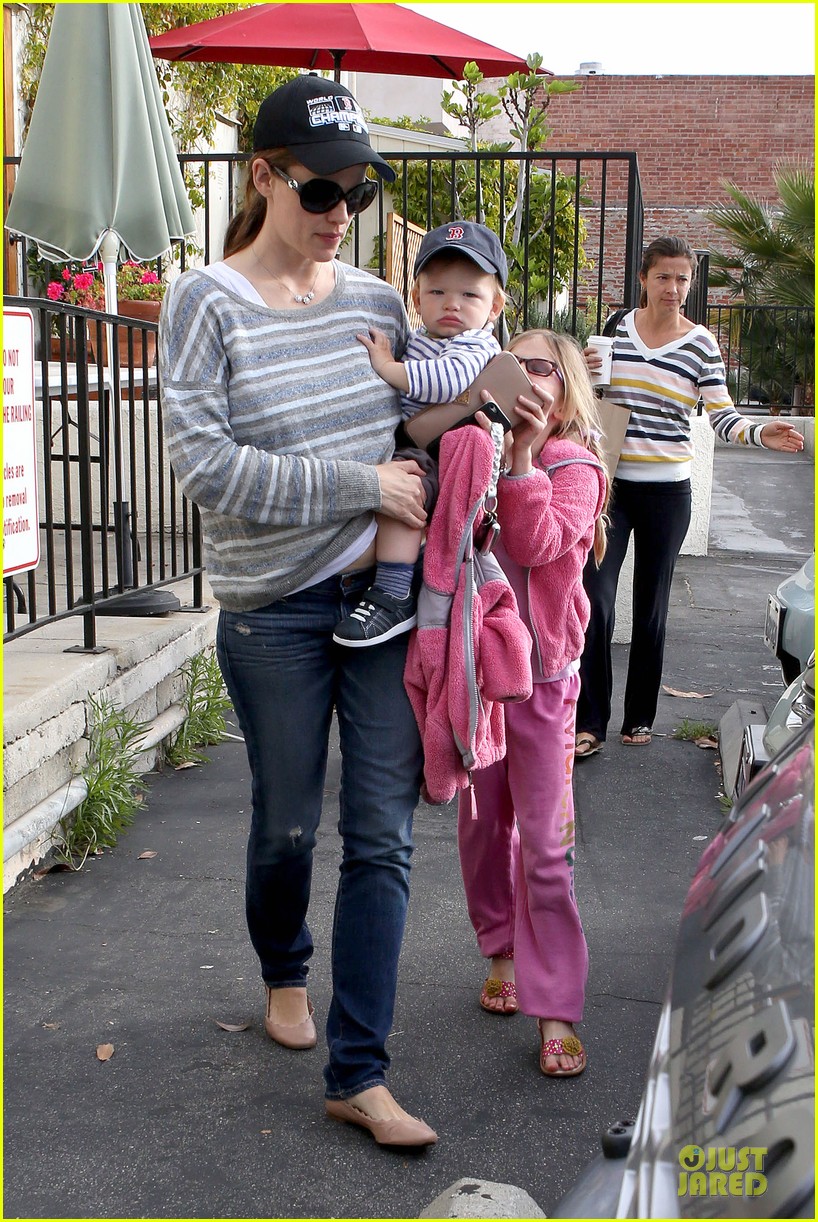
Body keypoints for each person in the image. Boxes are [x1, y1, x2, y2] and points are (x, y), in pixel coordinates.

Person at [158, 75, 438, 1148]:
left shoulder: (377, 303)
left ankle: (359, 1073)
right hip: (270, 607)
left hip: (380, 600)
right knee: (285, 824)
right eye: (320, 189)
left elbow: (417, 432)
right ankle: (284, 967)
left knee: (382, 838)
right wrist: (361, 486)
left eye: (356, 193)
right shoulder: (204, 300)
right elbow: (206, 469)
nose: (339, 213)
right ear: (263, 177)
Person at [575, 236, 805, 758]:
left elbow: (722, 416)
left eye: (682, 278)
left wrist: (759, 433)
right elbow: (591, 400)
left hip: (668, 493)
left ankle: (639, 717)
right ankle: (590, 723)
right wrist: (584, 376)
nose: (673, 287)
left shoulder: (701, 344)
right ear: (643, 279)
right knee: (596, 599)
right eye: (663, 276)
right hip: (610, 488)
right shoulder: (616, 330)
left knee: (651, 608)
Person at [457, 329, 609, 1077]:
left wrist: (522, 458)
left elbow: (537, 541)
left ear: (567, 385)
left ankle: (556, 1008)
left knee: (546, 846)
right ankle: (500, 950)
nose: (525, 377)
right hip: (482, 676)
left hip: (546, 681)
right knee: (485, 829)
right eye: (511, 364)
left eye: (541, 366)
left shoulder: (576, 465)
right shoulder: (473, 449)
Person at [332, 220, 507, 647]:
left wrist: (386, 367)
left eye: (470, 295)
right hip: (416, 440)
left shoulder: (475, 344)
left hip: (440, 451)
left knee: (405, 490)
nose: (452, 304)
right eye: (437, 292)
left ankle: (393, 591)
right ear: (416, 298)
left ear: (495, 306)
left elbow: (443, 382)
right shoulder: (424, 338)